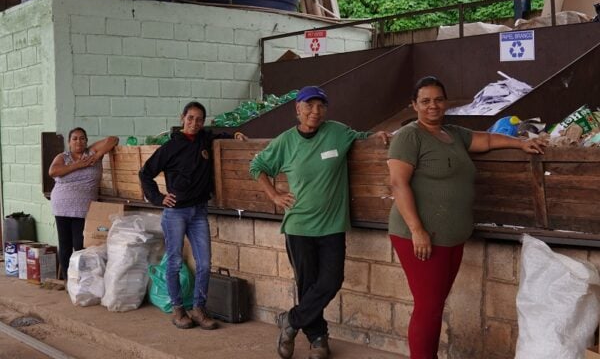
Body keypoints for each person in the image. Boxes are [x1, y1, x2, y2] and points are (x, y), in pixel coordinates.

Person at [387, 76, 546, 359]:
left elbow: (484, 139)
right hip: (422, 236)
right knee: (428, 305)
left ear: (446, 103)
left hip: (451, 236)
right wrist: (417, 229)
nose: (432, 106)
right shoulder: (409, 137)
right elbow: (399, 184)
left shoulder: (452, 133)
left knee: (434, 304)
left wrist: (519, 143)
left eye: (438, 99)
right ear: (414, 106)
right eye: (425, 101)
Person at [249, 86, 391, 359]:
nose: (315, 111)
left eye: (320, 106)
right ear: (297, 109)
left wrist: (377, 136)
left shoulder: (337, 132)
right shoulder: (285, 141)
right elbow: (257, 167)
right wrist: (275, 195)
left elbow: (362, 137)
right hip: (299, 226)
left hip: (332, 226)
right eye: (309, 106)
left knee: (331, 280)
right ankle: (318, 339)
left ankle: (291, 320)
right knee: (307, 284)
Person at [139, 101, 246, 330]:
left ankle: (199, 308)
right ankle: (178, 309)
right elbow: (145, 173)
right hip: (175, 213)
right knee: (175, 263)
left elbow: (221, 134)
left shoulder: (204, 140)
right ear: (182, 119)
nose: (194, 123)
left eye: (199, 119)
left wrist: (236, 134)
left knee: (205, 264)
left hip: (199, 212)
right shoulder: (169, 148)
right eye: (190, 118)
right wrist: (158, 198)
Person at [49, 128, 119, 280]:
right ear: (69, 142)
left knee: (81, 244)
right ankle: (69, 280)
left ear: (86, 141)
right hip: (62, 206)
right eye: (74, 139)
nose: (78, 142)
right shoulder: (63, 157)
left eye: (82, 138)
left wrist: (98, 155)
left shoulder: (92, 153)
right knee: (65, 244)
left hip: (84, 208)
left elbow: (113, 139)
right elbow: (53, 171)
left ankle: (83, 278)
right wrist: (78, 165)